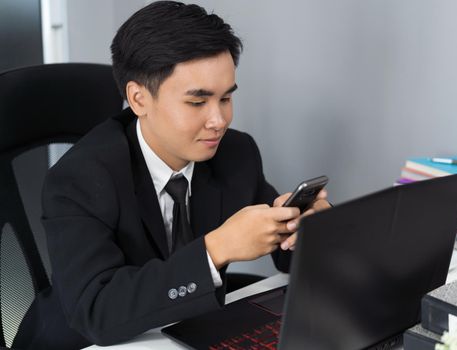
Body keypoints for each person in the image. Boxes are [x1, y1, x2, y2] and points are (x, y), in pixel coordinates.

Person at [13, 1, 330, 349]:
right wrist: (216, 249)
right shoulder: (79, 179)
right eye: (198, 102)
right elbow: (97, 311)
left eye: (225, 98)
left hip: (180, 332)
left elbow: (282, 250)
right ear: (138, 99)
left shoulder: (236, 153)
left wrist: (306, 234)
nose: (219, 120)